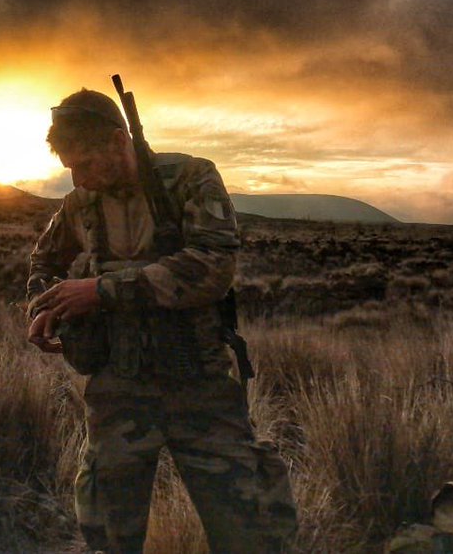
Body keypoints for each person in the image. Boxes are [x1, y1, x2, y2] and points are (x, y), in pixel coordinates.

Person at [26, 88, 297, 553]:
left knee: (251, 526)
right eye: (70, 168)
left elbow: (213, 266)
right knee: (108, 532)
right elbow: (43, 262)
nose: (79, 179)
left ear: (118, 141)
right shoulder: (79, 204)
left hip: (200, 382)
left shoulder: (191, 179)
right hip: (117, 386)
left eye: (86, 163)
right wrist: (44, 308)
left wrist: (102, 291)